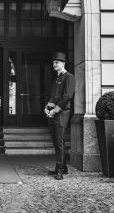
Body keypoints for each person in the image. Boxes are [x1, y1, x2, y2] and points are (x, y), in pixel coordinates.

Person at [44, 52, 75, 180]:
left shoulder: (69, 77)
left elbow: (67, 96)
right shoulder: (56, 79)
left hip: (62, 113)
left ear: (63, 63)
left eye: (57, 62)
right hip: (53, 113)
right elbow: (53, 96)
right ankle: (62, 167)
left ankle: (60, 170)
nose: (54, 64)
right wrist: (47, 107)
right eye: (53, 62)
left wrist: (55, 110)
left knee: (59, 141)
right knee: (57, 141)